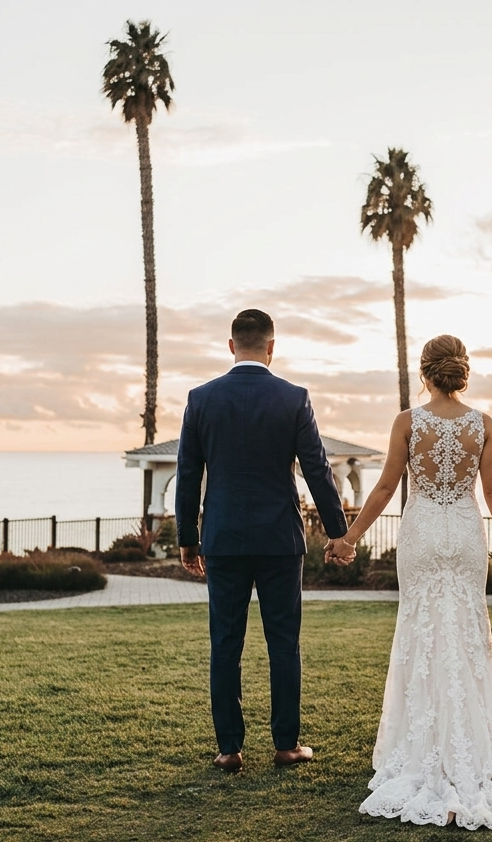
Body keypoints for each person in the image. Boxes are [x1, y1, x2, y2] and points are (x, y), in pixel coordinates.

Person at [332, 334, 492, 829]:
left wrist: (349, 537)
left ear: (425, 374)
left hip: (424, 532)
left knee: (421, 630)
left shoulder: (407, 422)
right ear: (462, 373)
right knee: (468, 637)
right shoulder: (483, 424)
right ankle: (474, 749)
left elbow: (387, 485)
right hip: (465, 535)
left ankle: (422, 751)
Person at [175, 308, 354, 774]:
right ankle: (286, 745)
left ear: (231, 345)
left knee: (225, 643)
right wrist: (338, 533)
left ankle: (229, 749)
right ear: (271, 348)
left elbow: (189, 475)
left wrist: (187, 540)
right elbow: (316, 468)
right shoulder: (293, 397)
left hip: (224, 539)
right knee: (283, 644)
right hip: (279, 539)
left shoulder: (201, 398)